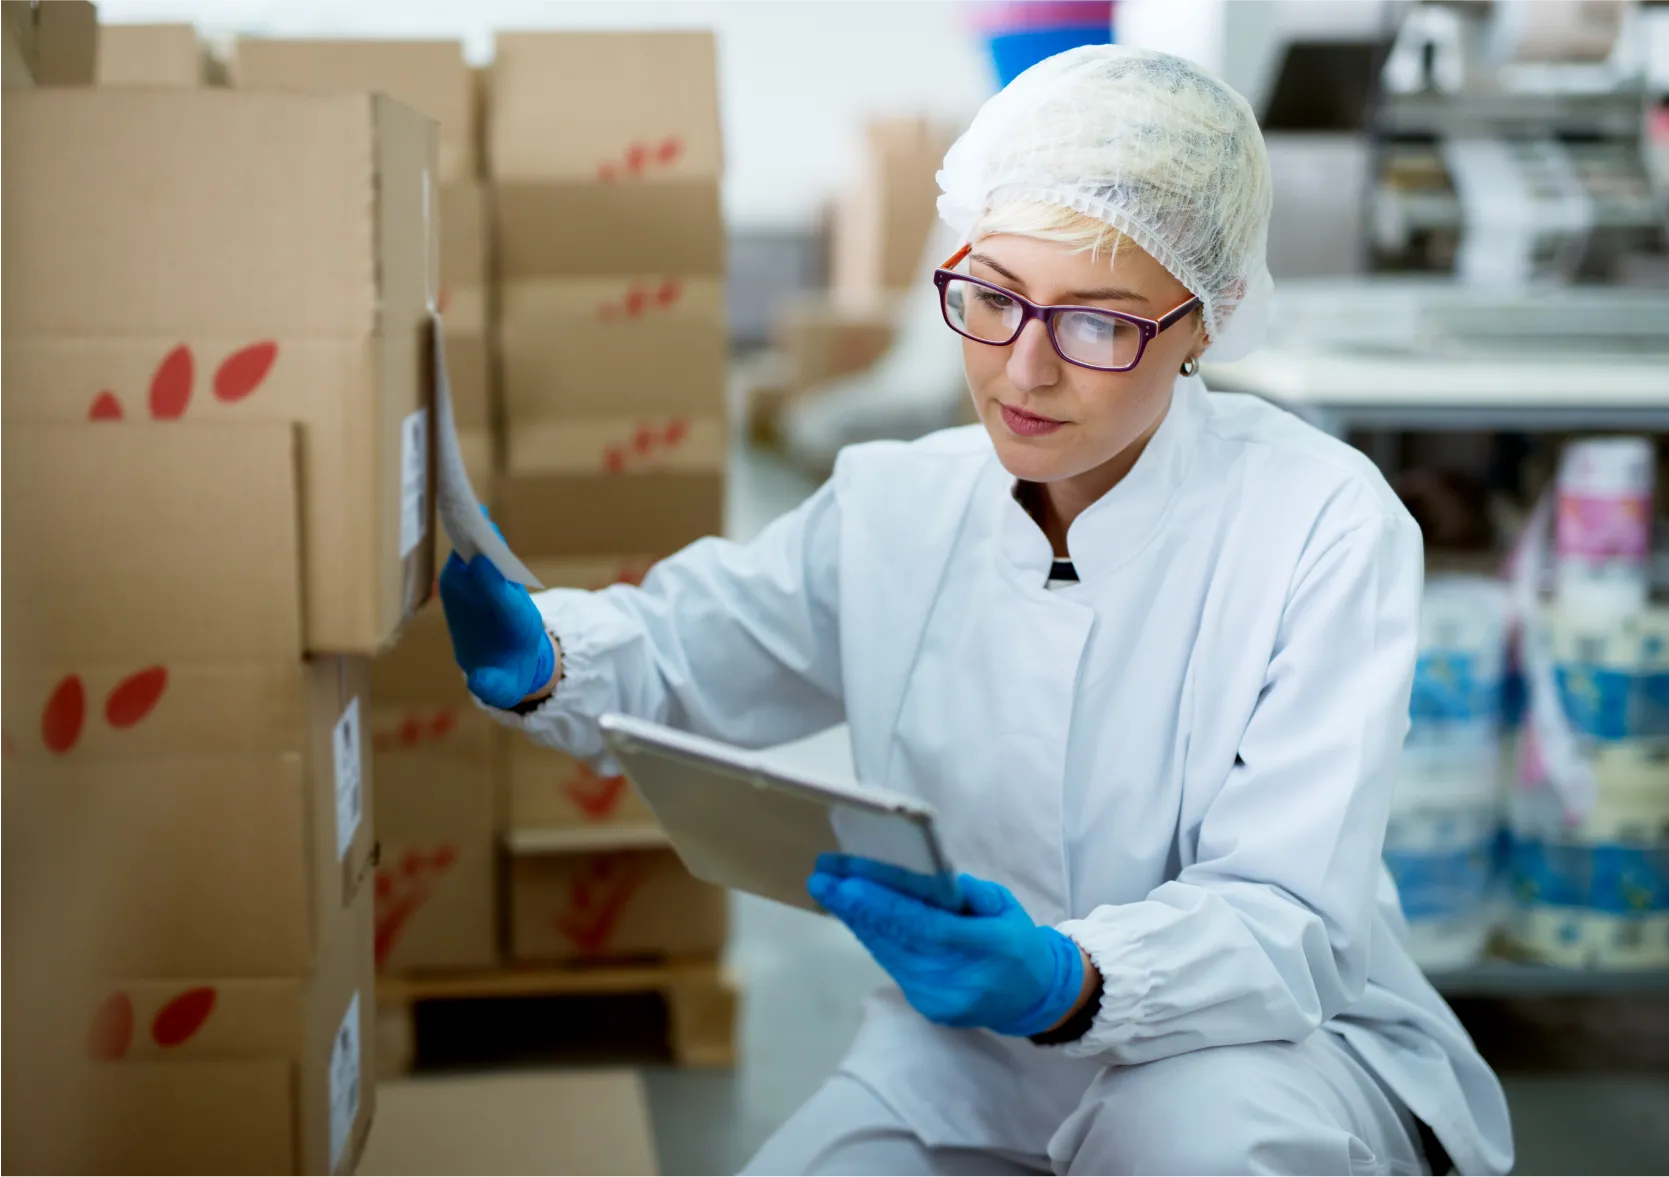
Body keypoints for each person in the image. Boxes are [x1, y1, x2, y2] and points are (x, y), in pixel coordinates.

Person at [440, 46, 1514, 1177]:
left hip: (1250, 1048)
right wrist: (551, 651)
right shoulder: (897, 499)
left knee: (1198, 1143)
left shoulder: (1318, 522)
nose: (1023, 371)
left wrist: (1068, 979)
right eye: (992, 298)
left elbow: (1288, 912)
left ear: (1206, 319)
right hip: (963, 1057)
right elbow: (697, 646)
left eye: (1094, 323)